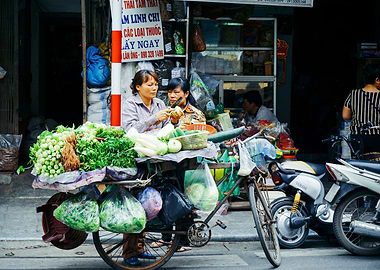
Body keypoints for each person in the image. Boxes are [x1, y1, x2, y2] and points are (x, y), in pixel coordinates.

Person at [121, 70, 170, 266]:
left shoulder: (160, 103)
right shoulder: (130, 104)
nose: (154, 87)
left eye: (156, 84)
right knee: (135, 205)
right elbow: (129, 130)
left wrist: (172, 120)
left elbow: (167, 128)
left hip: (157, 158)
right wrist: (154, 119)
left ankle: (140, 247)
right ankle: (130, 252)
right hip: (137, 160)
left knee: (149, 204)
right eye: (149, 84)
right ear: (138, 87)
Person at [342, 64, 380, 155]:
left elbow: (345, 116)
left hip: (358, 137)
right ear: (377, 80)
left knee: (359, 164)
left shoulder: (353, 94)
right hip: (378, 137)